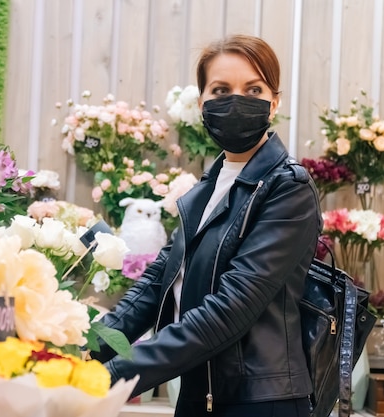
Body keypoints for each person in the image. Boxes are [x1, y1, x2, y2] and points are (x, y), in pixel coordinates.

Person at [93, 34, 322, 417]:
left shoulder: (288, 187)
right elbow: (155, 286)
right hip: (201, 393)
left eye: (253, 88)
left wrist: (110, 376)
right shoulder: (206, 188)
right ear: (202, 103)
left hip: (260, 402)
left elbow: (230, 309)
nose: (237, 100)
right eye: (221, 89)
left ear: (274, 101)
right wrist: (80, 348)